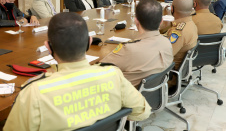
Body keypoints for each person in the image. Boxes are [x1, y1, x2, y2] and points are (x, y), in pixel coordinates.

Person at [3, 13, 151, 131]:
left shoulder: (33, 93)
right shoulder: (113, 75)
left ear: (48, 48)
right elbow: (143, 112)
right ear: (89, 41)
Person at [100, 0, 173, 88]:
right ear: (161, 21)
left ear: (136, 21)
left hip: (127, 99)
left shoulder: (129, 49)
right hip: (154, 95)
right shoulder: (167, 42)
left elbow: (100, 70)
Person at [166, 0, 198, 71]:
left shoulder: (178, 32)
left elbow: (165, 56)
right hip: (181, 68)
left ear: (172, 9)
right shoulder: (191, 24)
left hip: (170, 74)